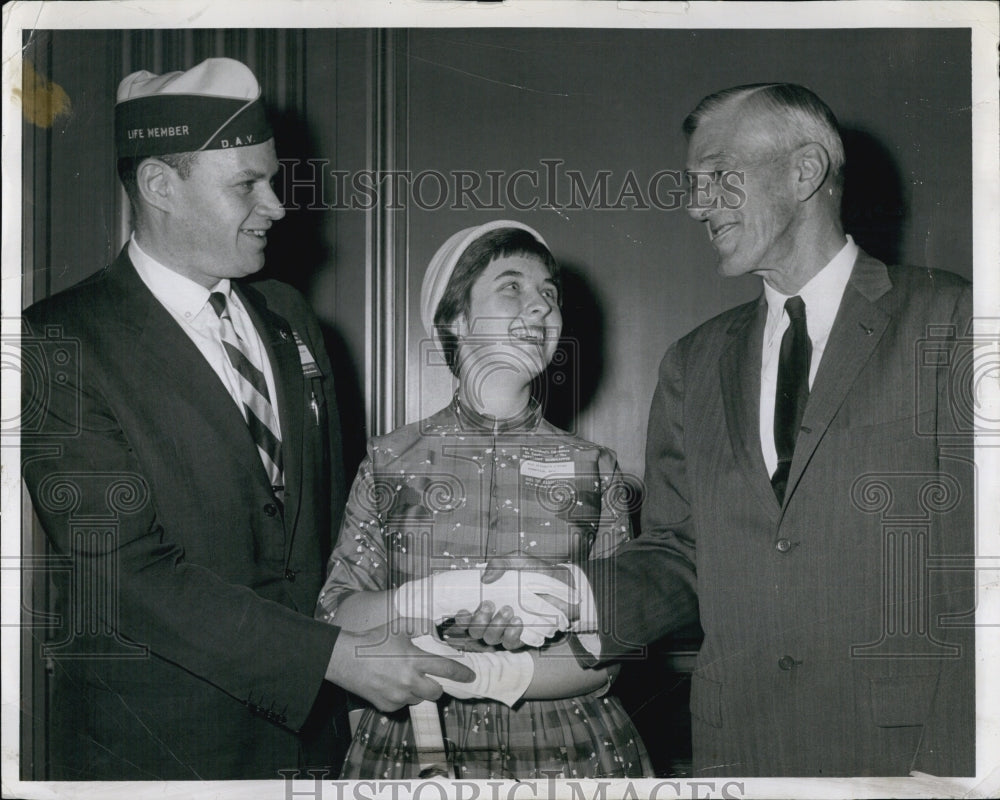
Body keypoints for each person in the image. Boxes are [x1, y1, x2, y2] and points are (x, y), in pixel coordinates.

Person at [481, 84, 975, 776]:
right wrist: (573, 593)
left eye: (717, 177)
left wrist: (955, 766)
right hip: (740, 749)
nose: (696, 204)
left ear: (805, 172)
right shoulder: (694, 361)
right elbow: (682, 553)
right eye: (692, 184)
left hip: (906, 755)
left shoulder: (951, 320)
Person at [19, 57, 474, 781]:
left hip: (310, 742)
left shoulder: (288, 314)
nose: (277, 205)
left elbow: (327, 528)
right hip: (160, 753)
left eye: (272, 177)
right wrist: (334, 661)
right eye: (246, 185)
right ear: (161, 186)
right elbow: (128, 574)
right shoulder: (55, 342)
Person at [315, 221, 653, 779]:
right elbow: (338, 614)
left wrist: (495, 675)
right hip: (412, 746)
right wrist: (445, 594)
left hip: (569, 754)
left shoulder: (594, 467)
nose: (540, 306)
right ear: (454, 319)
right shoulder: (390, 460)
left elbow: (614, 647)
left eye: (549, 293)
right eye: (512, 288)